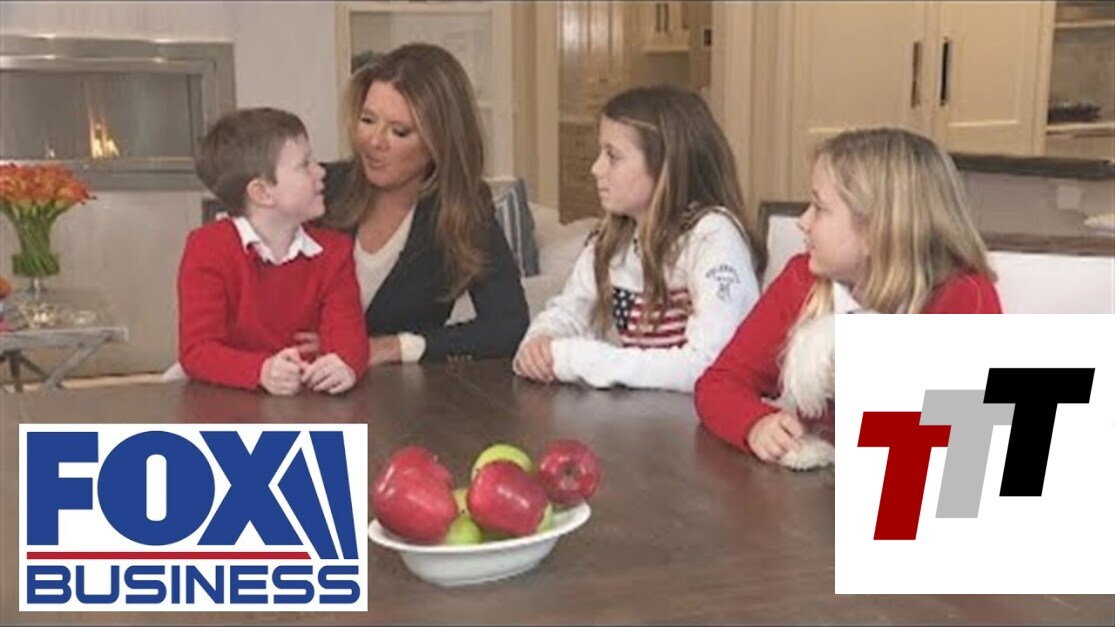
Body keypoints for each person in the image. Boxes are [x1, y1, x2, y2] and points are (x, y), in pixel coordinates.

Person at [695, 127, 1002, 469]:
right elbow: (719, 383)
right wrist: (755, 424)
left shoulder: (966, 297)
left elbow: (968, 441)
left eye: (819, 208)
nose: (803, 221)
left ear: (875, 230)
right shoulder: (802, 280)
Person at [513, 85, 767, 393]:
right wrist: (541, 341)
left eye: (613, 156)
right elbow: (568, 312)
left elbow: (710, 364)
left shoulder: (713, 237)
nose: (596, 168)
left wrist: (579, 359)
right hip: (646, 415)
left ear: (666, 166)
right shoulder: (612, 240)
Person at [318, 43, 529, 365]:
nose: (374, 141)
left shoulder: (461, 210)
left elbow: (508, 325)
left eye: (399, 131)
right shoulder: (319, 188)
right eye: (367, 119)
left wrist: (396, 347)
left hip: (394, 391)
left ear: (439, 142)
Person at [178, 107, 369, 395]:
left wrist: (344, 364)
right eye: (304, 165)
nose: (321, 171)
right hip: (226, 400)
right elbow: (197, 351)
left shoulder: (334, 251)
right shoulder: (207, 248)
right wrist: (261, 370)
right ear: (262, 193)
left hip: (306, 400)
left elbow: (349, 334)